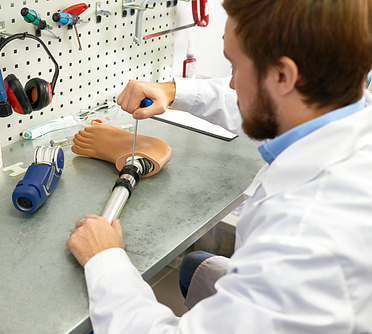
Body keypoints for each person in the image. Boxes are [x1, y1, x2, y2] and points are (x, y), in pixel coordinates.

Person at [66, 0, 372, 332]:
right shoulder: (347, 109)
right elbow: (268, 103)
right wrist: (173, 90)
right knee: (195, 267)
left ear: (284, 75)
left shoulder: (300, 240)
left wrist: (105, 259)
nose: (232, 84)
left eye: (235, 67)